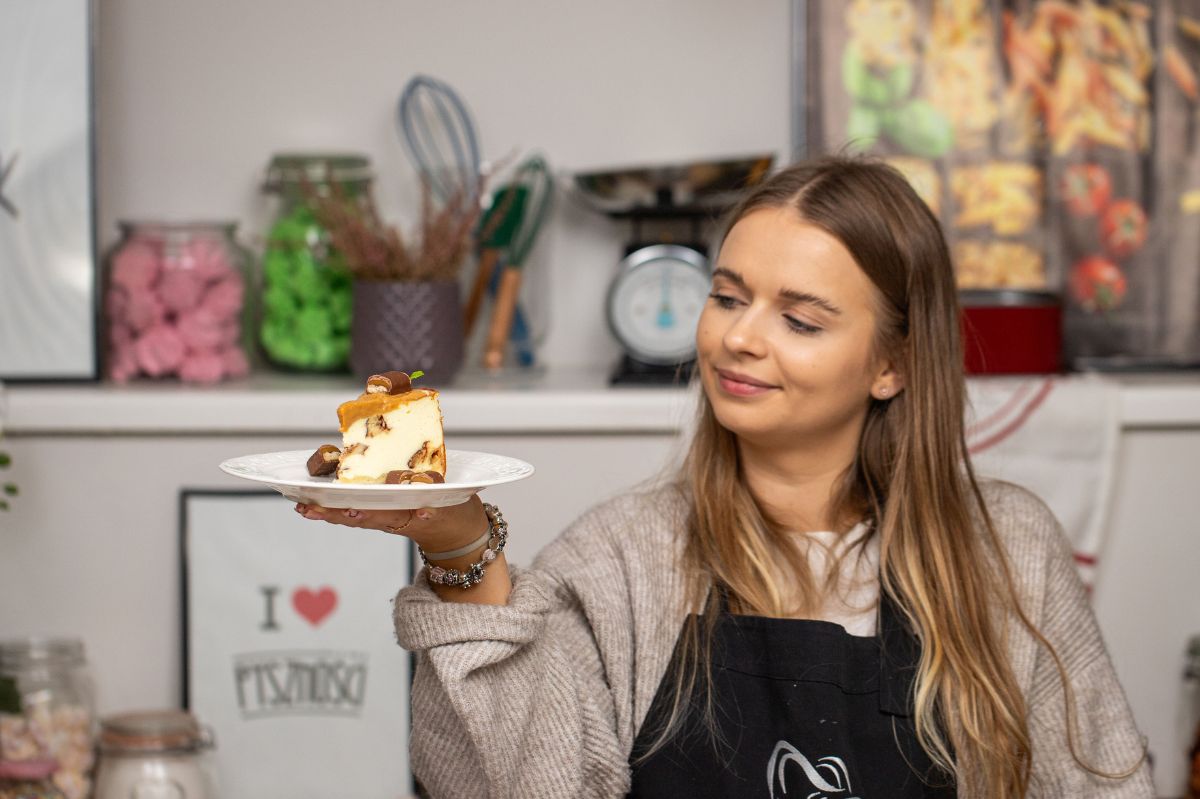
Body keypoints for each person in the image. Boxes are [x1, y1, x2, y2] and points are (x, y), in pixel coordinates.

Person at [295, 156, 1153, 798]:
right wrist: (462, 552)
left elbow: (1104, 781)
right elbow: (514, 781)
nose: (740, 338)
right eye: (729, 296)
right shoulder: (620, 558)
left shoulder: (1006, 549)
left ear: (890, 363)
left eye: (801, 319)